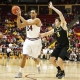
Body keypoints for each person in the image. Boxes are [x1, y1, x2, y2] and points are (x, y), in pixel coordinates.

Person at [40, 2, 70, 79]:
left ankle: (63, 73)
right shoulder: (55, 29)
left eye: (56, 21)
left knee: (59, 60)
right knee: (51, 59)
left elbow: (60, 14)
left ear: (60, 22)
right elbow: (47, 33)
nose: (55, 22)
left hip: (65, 46)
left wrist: (52, 7)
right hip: (59, 45)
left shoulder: (63, 25)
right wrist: (40, 35)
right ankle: (59, 69)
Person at [15, 9, 42, 78]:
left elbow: (27, 23)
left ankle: (38, 65)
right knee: (24, 55)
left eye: (33, 13)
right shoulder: (28, 20)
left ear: (36, 14)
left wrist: (20, 16)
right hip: (28, 40)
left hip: (36, 42)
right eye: (31, 13)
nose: (31, 14)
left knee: (35, 58)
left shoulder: (37, 20)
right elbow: (19, 26)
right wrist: (18, 17)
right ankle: (20, 72)